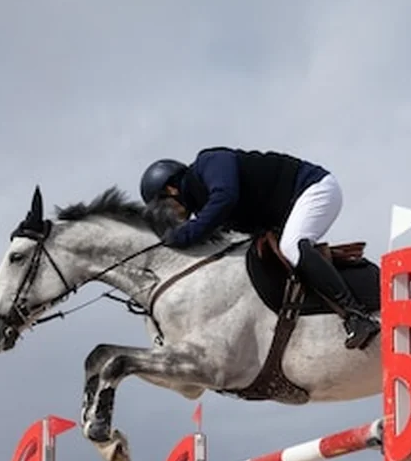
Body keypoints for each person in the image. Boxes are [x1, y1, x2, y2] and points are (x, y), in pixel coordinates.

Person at [139, 147, 380, 350]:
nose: (168, 215)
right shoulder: (204, 206)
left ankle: (356, 315)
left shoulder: (209, 162)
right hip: (289, 209)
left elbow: (225, 197)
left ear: (171, 189)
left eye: (163, 206)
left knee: (292, 247)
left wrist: (184, 235)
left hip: (314, 188)